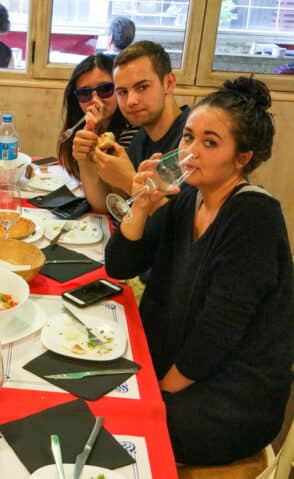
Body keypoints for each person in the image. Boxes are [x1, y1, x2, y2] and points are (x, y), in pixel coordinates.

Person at [105, 77, 293, 466]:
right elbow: (120, 265)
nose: (190, 151)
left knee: (117, 426)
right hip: (177, 363)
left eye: (210, 143)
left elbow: (217, 333)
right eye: (188, 137)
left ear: (242, 157)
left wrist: (159, 394)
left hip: (230, 397)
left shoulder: (253, 216)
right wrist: (141, 206)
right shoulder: (187, 196)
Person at [86, 40, 191, 212]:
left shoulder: (192, 141)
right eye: (122, 92)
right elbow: (117, 204)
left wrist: (129, 180)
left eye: (142, 87)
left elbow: (184, 230)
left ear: (169, 83)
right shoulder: (141, 136)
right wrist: (96, 164)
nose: (131, 101)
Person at [58, 54, 138, 211]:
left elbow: (110, 203)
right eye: (85, 93)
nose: (95, 100)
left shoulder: (132, 131)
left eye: (105, 89)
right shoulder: (80, 129)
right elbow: (97, 201)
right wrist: (84, 158)